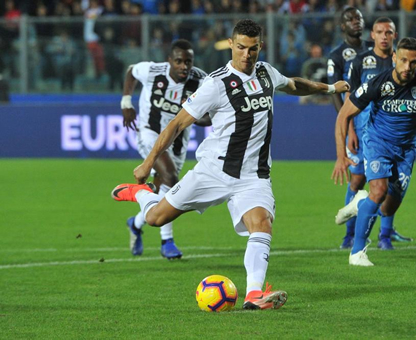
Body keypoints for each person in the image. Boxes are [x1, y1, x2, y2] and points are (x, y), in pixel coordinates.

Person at [112, 19, 349, 309]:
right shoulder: (216, 83)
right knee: (155, 219)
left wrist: (328, 88)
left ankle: (253, 295)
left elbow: (293, 84)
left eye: (252, 49)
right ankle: (140, 194)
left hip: (254, 176)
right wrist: (147, 163)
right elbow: (176, 124)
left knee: (262, 224)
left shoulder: (265, 73)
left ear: (260, 46)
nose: (246, 55)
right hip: (214, 171)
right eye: (240, 48)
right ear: (231, 44)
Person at [331, 37, 416, 266]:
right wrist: (340, 155)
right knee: (378, 190)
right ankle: (357, 252)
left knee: (387, 206)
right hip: (377, 143)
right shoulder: (377, 84)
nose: (407, 67)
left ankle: (360, 203)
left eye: (413, 62)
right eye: (403, 60)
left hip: (405, 150)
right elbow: (344, 115)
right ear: (394, 57)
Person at [119, 39, 209, 259]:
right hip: (150, 133)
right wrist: (126, 102)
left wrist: (197, 115)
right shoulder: (153, 71)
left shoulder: (202, 81)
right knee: (170, 175)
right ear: (170, 61)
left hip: (178, 141)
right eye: (179, 61)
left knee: (162, 191)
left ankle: (136, 223)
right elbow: (131, 71)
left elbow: (210, 117)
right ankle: (167, 241)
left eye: (188, 61)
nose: (184, 66)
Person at [344, 17, 415, 251]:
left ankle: (385, 235)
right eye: (380, 32)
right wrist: (351, 130)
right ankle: (350, 235)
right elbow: (350, 97)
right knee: (358, 180)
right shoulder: (360, 62)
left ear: (395, 35)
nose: (385, 36)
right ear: (372, 35)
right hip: (364, 132)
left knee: (392, 183)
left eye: (389, 32)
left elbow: (413, 101)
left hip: (392, 134)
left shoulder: (403, 61)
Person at [327, 6, 374, 249]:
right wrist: (348, 124)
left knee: (385, 179)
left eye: (359, 17)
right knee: (357, 179)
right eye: (350, 19)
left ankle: (386, 229)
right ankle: (349, 234)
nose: (357, 21)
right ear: (342, 26)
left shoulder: (374, 49)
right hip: (356, 121)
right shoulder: (336, 56)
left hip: (377, 121)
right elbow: (335, 94)